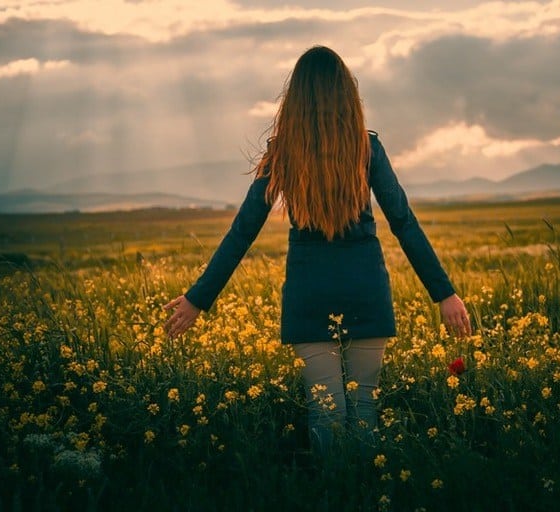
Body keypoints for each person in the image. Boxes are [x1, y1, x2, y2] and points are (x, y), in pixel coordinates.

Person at [164, 45, 471, 455]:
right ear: (347, 93)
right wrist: (444, 293)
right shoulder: (366, 147)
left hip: (309, 294)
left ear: (297, 99)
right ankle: (362, 494)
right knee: (364, 412)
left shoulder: (284, 151)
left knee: (325, 414)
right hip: (366, 290)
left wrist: (198, 299)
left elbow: (243, 232)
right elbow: (404, 223)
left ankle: (332, 492)